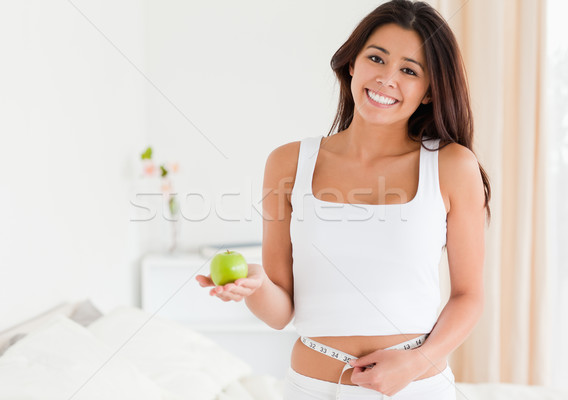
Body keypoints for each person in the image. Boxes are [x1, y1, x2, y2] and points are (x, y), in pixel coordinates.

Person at [196, 0, 491, 399]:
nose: (387, 78)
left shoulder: (452, 164)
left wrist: (416, 362)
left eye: (408, 70)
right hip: (312, 388)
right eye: (376, 58)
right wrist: (256, 284)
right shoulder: (288, 163)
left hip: (414, 386)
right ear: (352, 64)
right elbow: (281, 312)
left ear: (427, 92)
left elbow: (467, 296)